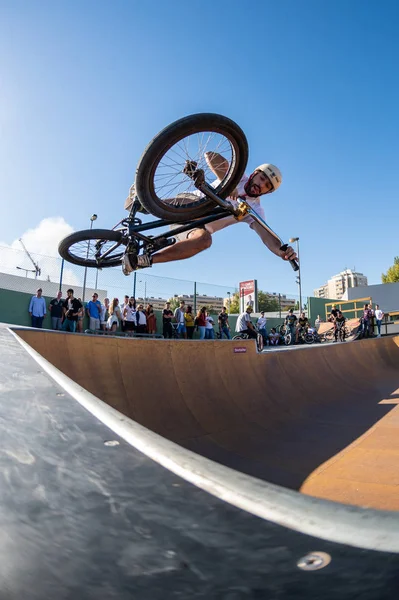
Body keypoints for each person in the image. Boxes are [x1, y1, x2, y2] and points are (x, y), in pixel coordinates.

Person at [122, 159, 297, 273]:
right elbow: (211, 156)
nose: (261, 185)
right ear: (254, 174)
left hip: (197, 227)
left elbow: (267, 236)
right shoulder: (237, 177)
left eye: (267, 186)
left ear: (268, 192)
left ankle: (144, 260)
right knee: (141, 204)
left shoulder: (256, 210)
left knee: (205, 241)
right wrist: (229, 184)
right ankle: (143, 201)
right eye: (261, 179)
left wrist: (281, 252)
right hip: (190, 203)